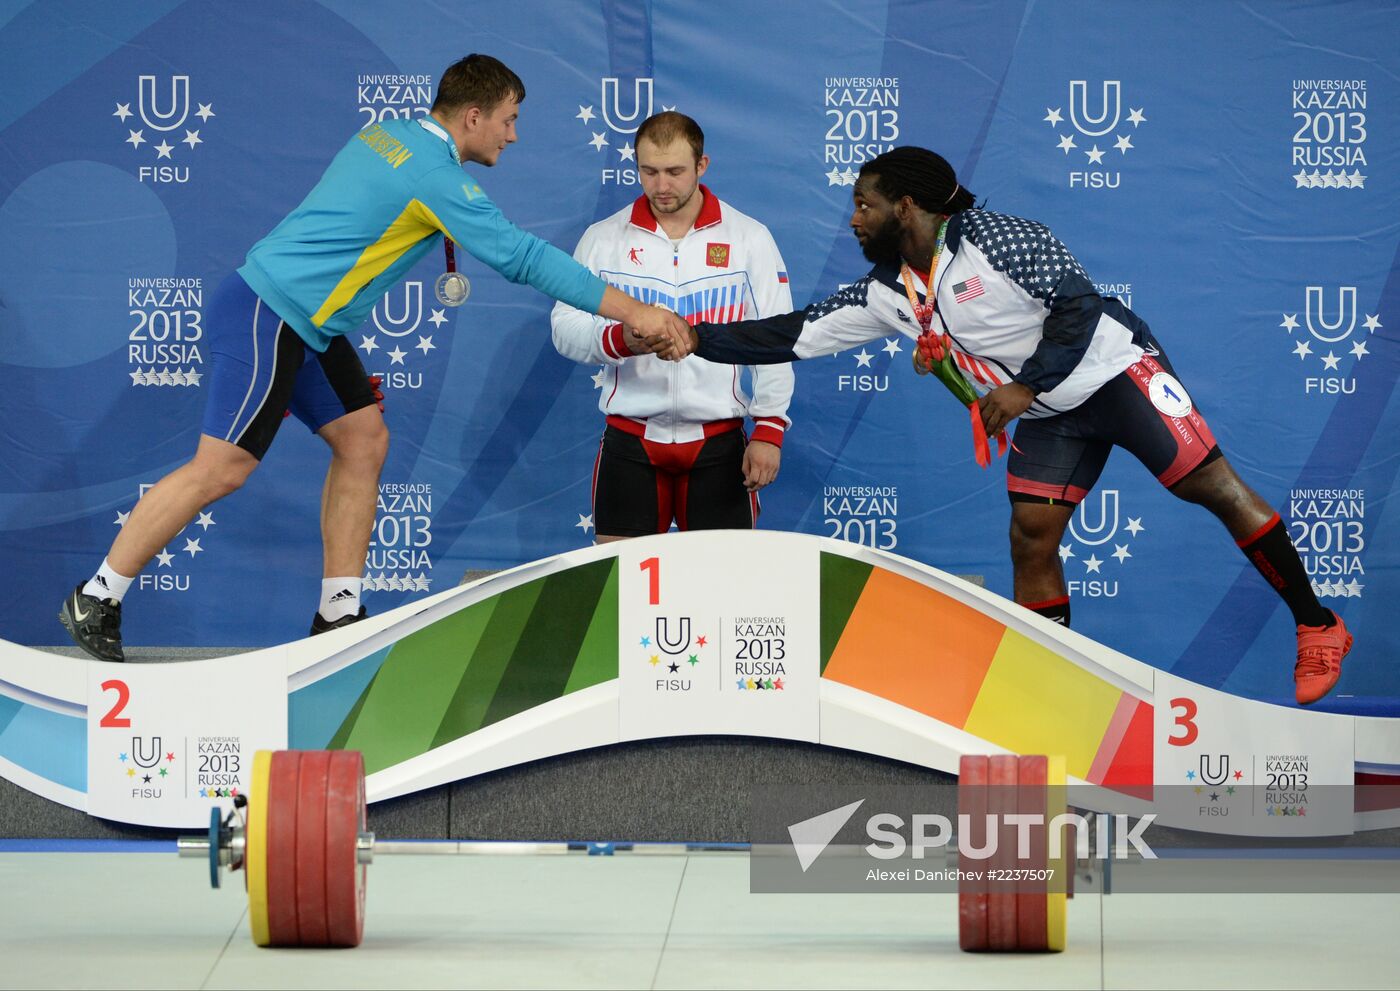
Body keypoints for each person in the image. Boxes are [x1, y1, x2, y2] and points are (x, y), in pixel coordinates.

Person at [645, 145, 1352, 706]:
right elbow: (793, 332)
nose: (853, 220)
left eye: (864, 205)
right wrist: (691, 336)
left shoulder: (998, 238)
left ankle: (1317, 624)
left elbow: (1078, 306)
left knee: (1214, 488)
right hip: (1048, 413)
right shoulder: (888, 291)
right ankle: (1058, 684)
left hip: (1114, 374)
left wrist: (1021, 387)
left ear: (907, 205)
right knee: (1030, 535)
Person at [58, 54, 691, 662]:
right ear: (473, 116)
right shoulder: (434, 176)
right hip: (269, 313)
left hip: (309, 324)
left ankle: (337, 612)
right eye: (510, 118)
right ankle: (96, 596)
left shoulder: (390, 135)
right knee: (220, 470)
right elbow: (523, 258)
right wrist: (637, 312)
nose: (514, 135)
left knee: (363, 440)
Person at [550, 112, 794, 541]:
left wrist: (770, 429)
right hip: (631, 440)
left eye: (675, 171)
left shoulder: (748, 238)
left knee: (724, 599)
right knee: (623, 594)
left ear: (702, 166)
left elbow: (774, 339)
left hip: (719, 442)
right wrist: (619, 339)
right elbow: (563, 326)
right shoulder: (604, 238)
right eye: (649, 171)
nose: (661, 186)